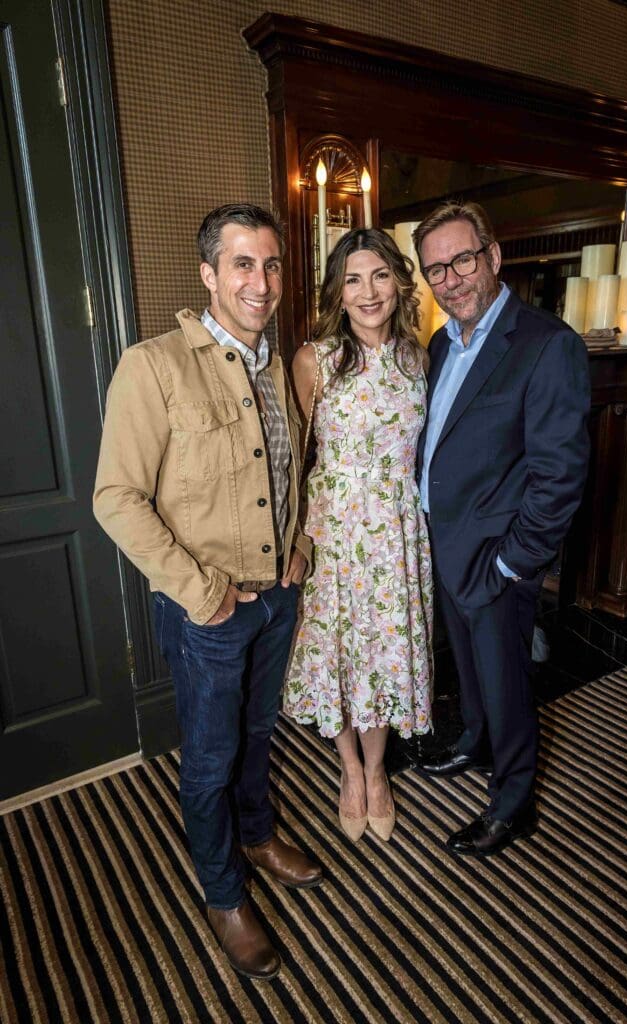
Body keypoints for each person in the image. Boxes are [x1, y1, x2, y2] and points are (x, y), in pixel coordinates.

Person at [93, 204, 322, 981]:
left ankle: (258, 835)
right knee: (211, 757)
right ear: (208, 275)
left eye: (271, 265)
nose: (261, 283)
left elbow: (286, 477)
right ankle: (223, 893)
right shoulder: (153, 366)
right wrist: (203, 592)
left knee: (258, 737)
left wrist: (297, 547)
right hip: (209, 611)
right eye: (242, 265)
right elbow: (116, 497)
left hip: (276, 597)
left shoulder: (277, 363)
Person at [414, 201, 590, 856]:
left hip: (494, 557)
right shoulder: (440, 342)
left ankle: (512, 803)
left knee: (506, 681)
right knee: (468, 667)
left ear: (491, 257)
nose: (450, 278)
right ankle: (473, 742)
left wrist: (512, 564)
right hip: (447, 544)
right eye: (435, 269)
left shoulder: (546, 345)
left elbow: (559, 477)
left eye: (461, 260)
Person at [283, 228, 433, 843]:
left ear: (399, 282)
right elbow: (297, 457)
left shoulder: (418, 357)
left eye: (378, 276)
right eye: (352, 279)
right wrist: (296, 541)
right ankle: (348, 768)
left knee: (386, 652)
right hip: (338, 531)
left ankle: (377, 770)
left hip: (397, 531)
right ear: (336, 293)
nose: (368, 292)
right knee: (340, 655)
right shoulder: (312, 360)